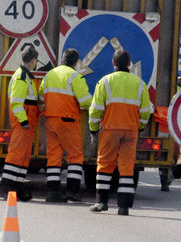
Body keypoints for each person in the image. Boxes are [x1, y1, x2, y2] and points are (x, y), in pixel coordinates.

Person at [88, 49, 151, 216]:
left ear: (113, 63)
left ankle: (102, 202)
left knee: (105, 164)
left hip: (110, 129)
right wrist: (140, 126)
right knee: (126, 167)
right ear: (129, 64)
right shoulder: (140, 84)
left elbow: (95, 110)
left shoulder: (105, 82)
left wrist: (93, 130)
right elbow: (145, 111)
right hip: (130, 130)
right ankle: (124, 207)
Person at [38, 48, 92, 203]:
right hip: (68, 120)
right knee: (75, 156)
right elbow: (85, 101)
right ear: (76, 62)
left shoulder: (49, 75)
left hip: (51, 120)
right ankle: (72, 192)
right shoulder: (75, 77)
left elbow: (41, 97)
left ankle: (52, 192)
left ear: (62, 59)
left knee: (54, 156)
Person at [0, 46, 40, 202]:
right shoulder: (22, 77)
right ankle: (5, 189)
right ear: (33, 60)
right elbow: (16, 103)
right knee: (16, 155)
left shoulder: (27, 77)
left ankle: (17, 188)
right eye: (36, 60)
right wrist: (24, 121)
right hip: (23, 123)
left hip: (27, 122)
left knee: (23, 157)